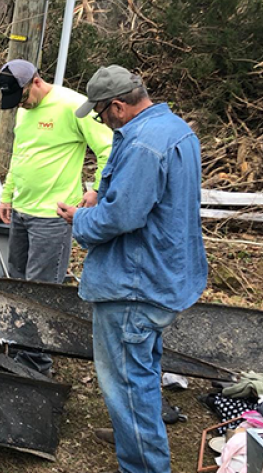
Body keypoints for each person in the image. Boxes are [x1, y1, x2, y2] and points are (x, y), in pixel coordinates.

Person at [56, 65, 208, 473]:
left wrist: (79, 218)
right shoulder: (176, 130)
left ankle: (142, 463)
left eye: (101, 114)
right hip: (163, 277)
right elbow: (149, 199)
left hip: (133, 285)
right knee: (142, 373)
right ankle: (134, 436)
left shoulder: (142, 144)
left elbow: (121, 217)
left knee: (127, 385)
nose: (102, 121)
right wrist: (100, 195)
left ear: (118, 107)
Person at [0, 59, 112, 284]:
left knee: (42, 288)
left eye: (22, 98)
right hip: (21, 210)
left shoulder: (73, 105)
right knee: (15, 283)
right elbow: (19, 155)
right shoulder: (24, 110)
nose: (21, 105)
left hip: (52, 216)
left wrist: (98, 190)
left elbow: (108, 149)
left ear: (36, 82)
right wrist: (7, 196)